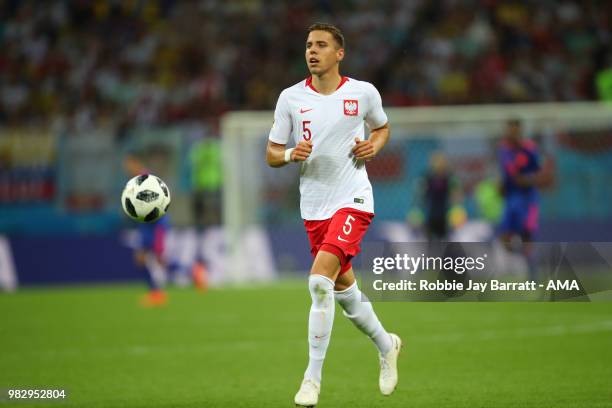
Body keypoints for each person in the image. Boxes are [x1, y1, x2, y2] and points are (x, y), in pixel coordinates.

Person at [266, 23, 401, 407]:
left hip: (353, 199)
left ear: (339, 53)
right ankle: (386, 343)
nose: (313, 51)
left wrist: (373, 145)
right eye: (309, 45)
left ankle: (311, 380)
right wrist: (292, 153)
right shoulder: (291, 98)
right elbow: (272, 153)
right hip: (314, 207)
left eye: (321, 45)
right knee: (343, 293)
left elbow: (383, 128)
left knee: (318, 282)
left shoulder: (362, 93)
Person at [498, 119, 547, 282]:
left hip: (527, 199)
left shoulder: (529, 149)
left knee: (527, 237)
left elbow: (539, 174)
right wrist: (503, 185)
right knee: (505, 238)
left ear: (519, 131)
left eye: (514, 129)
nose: (511, 133)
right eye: (509, 129)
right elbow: (507, 174)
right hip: (511, 198)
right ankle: (520, 264)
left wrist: (526, 180)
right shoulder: (504, 150)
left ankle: (532, 277)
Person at [123, 153, 170, 306]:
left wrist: (160, 231)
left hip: (155, 224)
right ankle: (155, 292)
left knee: (157, 258)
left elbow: (158, 202)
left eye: (128, 164)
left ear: (136, 163)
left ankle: (157, 292)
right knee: (142, 259)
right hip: (145, 225)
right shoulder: (135, 182)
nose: (126, 168)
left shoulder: (147, 180)